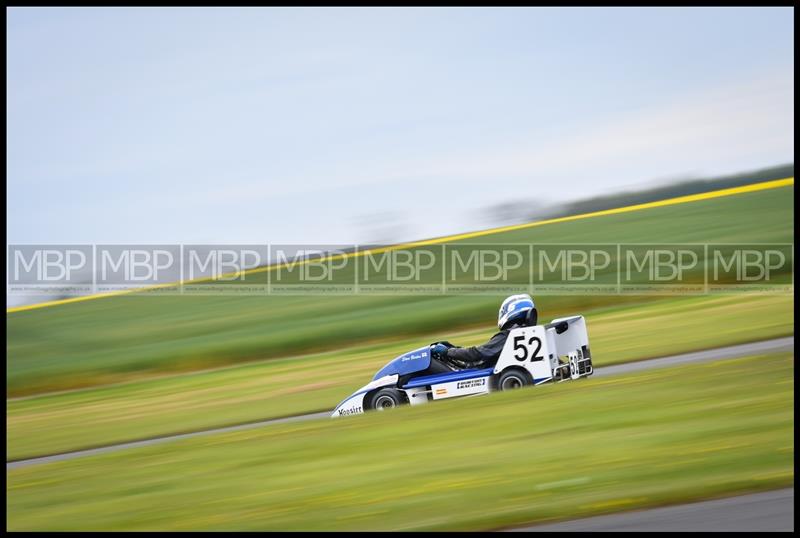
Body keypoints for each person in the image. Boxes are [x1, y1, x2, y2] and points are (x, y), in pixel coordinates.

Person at [429, 294, 537, 371]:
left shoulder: (508, 335)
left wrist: (447, 352)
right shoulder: (531, 334)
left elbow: (477, 354)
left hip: (485, 372)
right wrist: (454, 349)